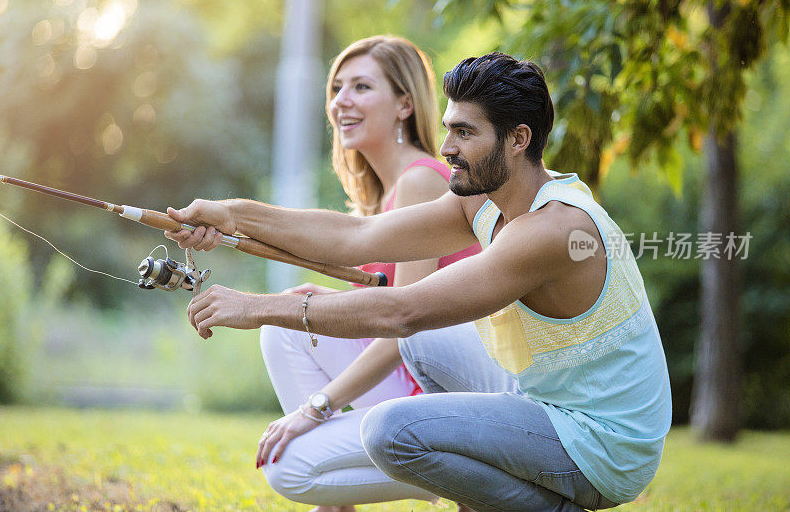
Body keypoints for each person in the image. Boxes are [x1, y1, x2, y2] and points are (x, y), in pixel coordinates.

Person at [166, 52, 672, 511]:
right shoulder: (485, 200)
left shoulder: (552, 229)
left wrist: (257, 308)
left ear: (518, 139)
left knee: (389, 430)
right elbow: (356, 236)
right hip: (544, 401)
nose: (447, 147)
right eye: (449, 128)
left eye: (466, 134)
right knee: (425, 348)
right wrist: (234, 214)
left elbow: (401, 312)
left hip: (603, 447)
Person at [176, 35, 481, 510]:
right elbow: (367, 287)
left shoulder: (421, 180)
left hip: (442, 393)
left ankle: (434, 472)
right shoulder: (388, 193)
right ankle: (334, 502)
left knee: (287, 337)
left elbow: (405, 329)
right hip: (417, 384)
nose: (341, 101)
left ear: (404, 104)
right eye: (337, 88)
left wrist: (314, 411)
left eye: (361, 87)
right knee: (291, 321)